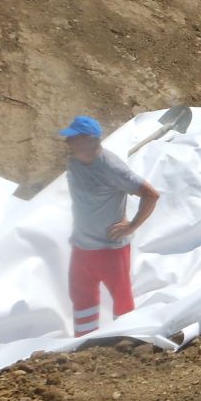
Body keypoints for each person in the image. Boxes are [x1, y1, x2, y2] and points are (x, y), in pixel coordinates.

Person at [58, 115, 160, 336]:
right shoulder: (73, 162)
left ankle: (127, 341)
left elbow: (151, 195)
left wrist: (132, 226)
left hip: (110, 250)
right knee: (81, 299)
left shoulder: (111, 167)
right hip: (82, 248)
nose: (67, 143)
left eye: (72, 138)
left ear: (89, 139)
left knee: (122, 300)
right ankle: (84, 343)